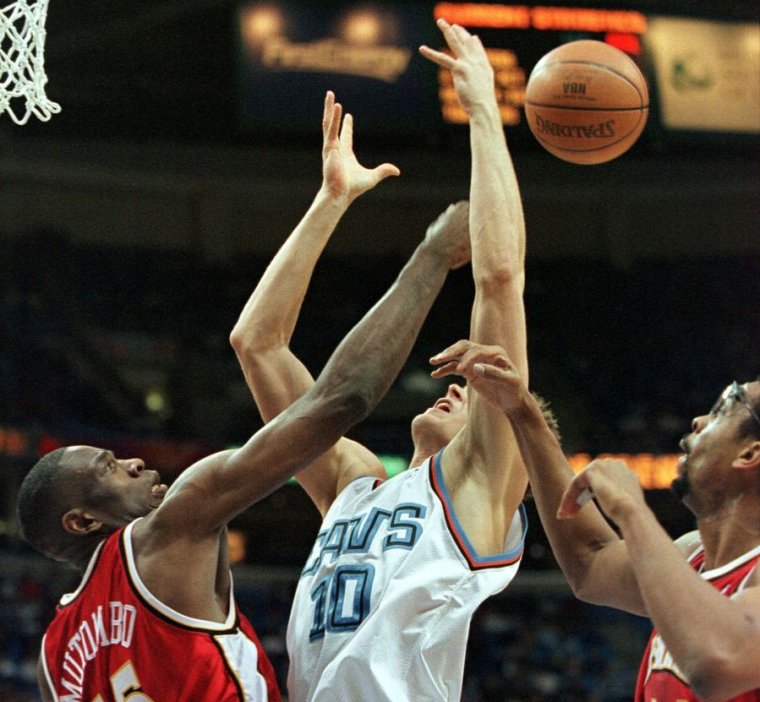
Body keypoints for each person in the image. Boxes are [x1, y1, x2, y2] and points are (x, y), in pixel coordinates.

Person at [15, 94, 470, 702]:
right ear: (82, 520)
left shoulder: (54, 655)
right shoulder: (174, 524)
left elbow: (255, 342)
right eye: (107, 465)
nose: (132, 461)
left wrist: (331, 201)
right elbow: (343, 399)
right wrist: (433, 256)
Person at [230, 19, 530, 701]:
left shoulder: (481, 486)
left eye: (474, 398)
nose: (457, 389)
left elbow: (499, 279)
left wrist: (483, 108)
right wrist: (329, 202)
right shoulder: (353, 483)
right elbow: (257, 344)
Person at [430, 339, 760, 702]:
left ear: (751, 452)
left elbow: (718, 662)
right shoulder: (693, 558)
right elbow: (590, 559)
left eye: (725, 407)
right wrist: (522, 411)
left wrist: (632, 511)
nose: (699, 420)